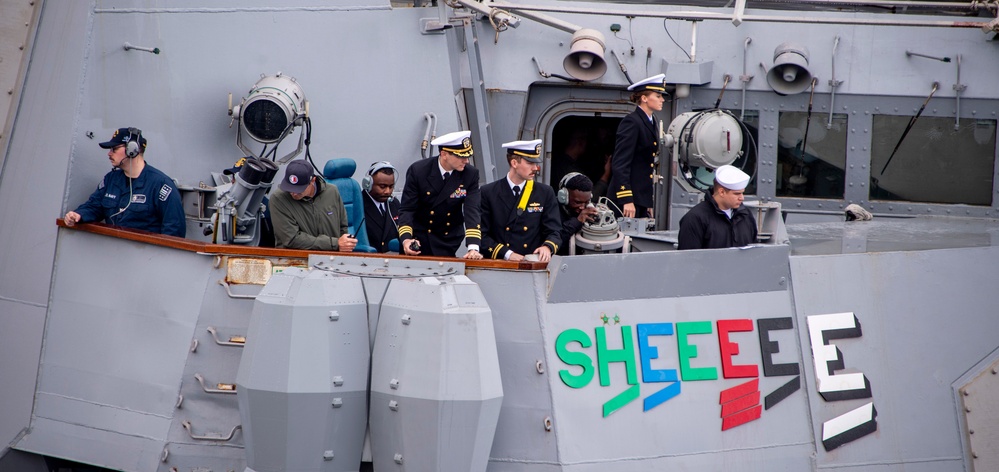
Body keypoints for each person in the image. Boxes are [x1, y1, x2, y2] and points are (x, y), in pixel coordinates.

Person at [63, 127, 186, 237]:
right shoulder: (111, 179)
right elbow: (95, 206)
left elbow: (174, 229)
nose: (109, 153)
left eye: (114, 149)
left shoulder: (161, 184)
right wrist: (79, 215)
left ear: (132, 150)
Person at [397, 130, 483, 259]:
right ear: (444, 154)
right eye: (461, 156)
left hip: (447, 240)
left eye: (467, 156)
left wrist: (473, 248)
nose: (466, 161)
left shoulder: (470, 174)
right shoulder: (419, 171)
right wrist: (406, 240)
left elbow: (472, 210)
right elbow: (407, 209)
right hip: (419, 239)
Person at [480, 139, 561, 262]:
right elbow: (481, 236)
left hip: (531, 264)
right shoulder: (488, 192)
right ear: (514, 163)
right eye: (530, 163)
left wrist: (547, 247)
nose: (535, 168)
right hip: (500, 264)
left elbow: (554, 231)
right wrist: (507, 254)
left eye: (536, 163)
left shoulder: (544, 193)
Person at [608, 73, 666, 219]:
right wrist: (627, 199)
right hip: (626, 201)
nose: (662, 99)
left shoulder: (651, 122)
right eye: (658, 96)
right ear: (644, 98)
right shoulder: (632, 122)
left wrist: (647, 202)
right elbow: (620, 163)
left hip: (639, 199)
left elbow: (644, 168)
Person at [270, 159, 357, 251]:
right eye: (289, 188)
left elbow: (343, 226)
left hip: (331, 260)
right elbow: (291, 239)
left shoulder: (332, 192)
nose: (293, 193)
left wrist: (345, 244)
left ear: (313, 180)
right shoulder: (278, 199)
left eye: (299, 189)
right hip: (295, 259)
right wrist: (335, 243)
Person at [677, 165, 758, 250]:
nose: (742, 198)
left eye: (742, 193)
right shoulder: (695, 218)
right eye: (737, 193)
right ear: (722, 192)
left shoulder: (746, 215)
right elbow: (688, 258)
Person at [362, 161, 402, 253]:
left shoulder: (394, 204)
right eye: (382, 186)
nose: (388, 191)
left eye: (391, 187)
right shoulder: (359, 205)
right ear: (368, 184)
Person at [556, 172, 599, 256]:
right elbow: (555, 239)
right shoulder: (551, 209)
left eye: (586, 202)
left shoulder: (590, 209)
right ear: (564, 196)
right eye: (577, 202)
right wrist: (577, 221)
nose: (582, 207)